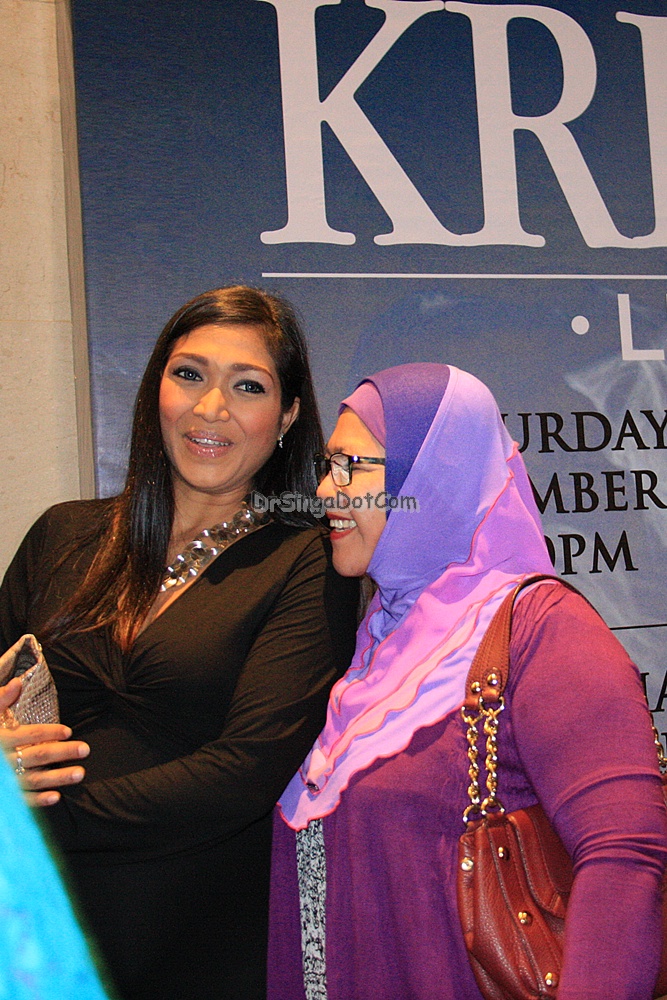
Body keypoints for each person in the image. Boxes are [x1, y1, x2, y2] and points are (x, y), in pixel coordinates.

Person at [0, 286, 359, 1000]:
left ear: (287, 417)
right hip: (32, 935)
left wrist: (40, 823)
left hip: (200, 945)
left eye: (248, 386)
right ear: (154, 390)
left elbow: (246, 771)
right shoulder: (61, 533)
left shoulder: (309, 562)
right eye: (189, 374)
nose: (211, 408)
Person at [268, 362, 667, 1000]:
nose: (324, 489)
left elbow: (626, 854)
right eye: (327, 464)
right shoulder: (381, 645)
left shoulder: (542, 628)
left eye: (351, 466)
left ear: (433, 476)